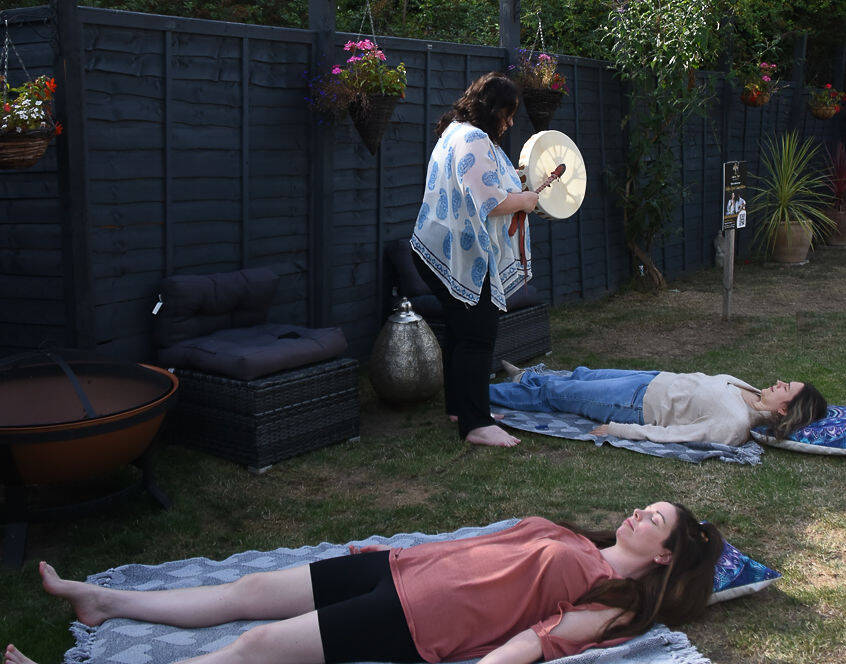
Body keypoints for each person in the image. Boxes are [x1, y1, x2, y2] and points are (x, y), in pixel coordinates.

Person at [4, 501, 723, 664]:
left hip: (421, 622)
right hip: (402, 567)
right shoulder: (578, 540)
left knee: (255, 644)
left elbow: (538, 644)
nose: (638, 510)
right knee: (250, 592)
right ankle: (105, 602)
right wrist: (391, 551)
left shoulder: (615, 599)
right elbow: (478, 546)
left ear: (665, 554)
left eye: (653, 516)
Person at [409, 71, 539, 448]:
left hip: (436, 248)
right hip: (459, 255)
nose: (511, 121)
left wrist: (513, 179)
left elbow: (478, 182)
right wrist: (528, 200)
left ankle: (462, 408)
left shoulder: (455, 131)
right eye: (508, 113)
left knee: (461, 331)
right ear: (492, 109)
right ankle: (476, 424)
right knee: (478, 334)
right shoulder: (474, 138)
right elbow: (492, 201)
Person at [490, 363, 828, 446]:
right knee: (581, 374)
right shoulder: (753, 395)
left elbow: (679, 436)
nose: (779, 382)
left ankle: (478, 395)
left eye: (786, 388)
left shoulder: (735, 423)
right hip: (650, 378)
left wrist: (619, 429)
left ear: (784, 409)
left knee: (553, 395)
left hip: (634, 404)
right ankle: (526, 377)